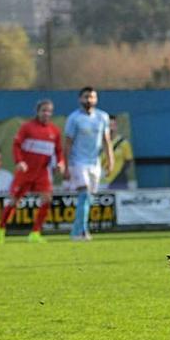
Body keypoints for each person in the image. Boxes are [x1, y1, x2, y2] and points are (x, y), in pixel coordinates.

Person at [0, 100, 65, 244]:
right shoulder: (27, 127)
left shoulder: (54, 131)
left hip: (42, 172)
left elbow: (58, 151)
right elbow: (16, 145)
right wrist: (19, 161)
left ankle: (35, 232)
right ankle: (0, 229)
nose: (46, 113)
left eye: (49, 111)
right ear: (37, 111)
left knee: (47, 199)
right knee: (14, 201)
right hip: (25, 172)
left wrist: (60, 163)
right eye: (44, 110)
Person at [64, 86, 112, 240]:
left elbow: (106, 141)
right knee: (84, 194)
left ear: (96, 99)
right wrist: (65, 165)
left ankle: (76, 230)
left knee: (89, 197)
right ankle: (82, 231)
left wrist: (110, 160)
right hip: (78, 161)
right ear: (80, 99)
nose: (89, 100)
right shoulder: (74, 118)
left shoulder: (103, 117)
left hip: (94, 163)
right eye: (86, 97)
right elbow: (68, 143)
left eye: (92, 97)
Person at [100, 116, 136, 190]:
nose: (111, 129)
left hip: (118, 181)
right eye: (109, 126)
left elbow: (129, 161)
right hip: (100, 181)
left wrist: (120, 173)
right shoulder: (98, 143)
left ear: (116, 127)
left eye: (113, 125)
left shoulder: (123, 143)